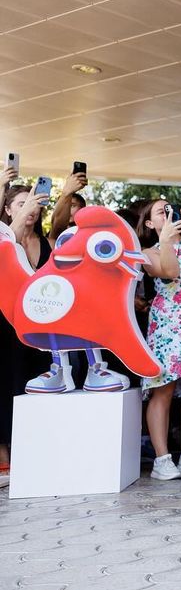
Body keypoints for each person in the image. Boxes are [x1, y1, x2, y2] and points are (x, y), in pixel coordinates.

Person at [138, 200, 181, 481]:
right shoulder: (147, 252)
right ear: (149, 224)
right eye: (161, 212)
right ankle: (162, 458)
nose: (168, 215)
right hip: (168, 324)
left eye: (172, 211)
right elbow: (169, 271)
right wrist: (167, 240)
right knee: (163, 390)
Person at [0, 184, 53, 487]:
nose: (29, 208)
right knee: (6, 384)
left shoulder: (45, 242)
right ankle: (4, 457)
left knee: (31, 382)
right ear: (8, 209)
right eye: (21, 204)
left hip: (35, 325)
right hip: (4, 323)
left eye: (32, 203)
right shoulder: (4, 237)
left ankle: (31, 451)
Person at [48, 170, 88, 241]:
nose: (67, 209)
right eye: (65, 206)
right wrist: (67, 191)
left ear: (82, 208)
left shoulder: (88, 233)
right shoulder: (55, 235)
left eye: (72, 205)